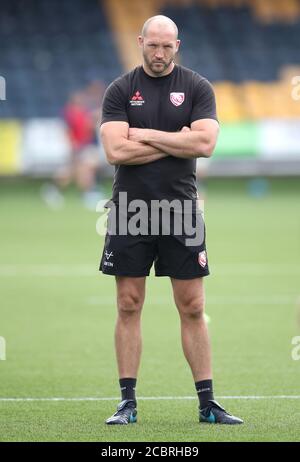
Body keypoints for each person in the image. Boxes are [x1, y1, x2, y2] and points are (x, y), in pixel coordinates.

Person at [99, 15, 243, 425]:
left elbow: (206, 143)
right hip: (130, 209)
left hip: (181, 210)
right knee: (128, 304)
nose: (159, 54)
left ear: (177, 45)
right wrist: (176, 142)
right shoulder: (120, 90)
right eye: (152, 46)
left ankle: (208, 405)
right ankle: (127, 403)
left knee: (193, 306)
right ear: (140, 41)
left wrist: (142, 134)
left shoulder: (197, 87)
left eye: (167, 47)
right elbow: (115, 152)